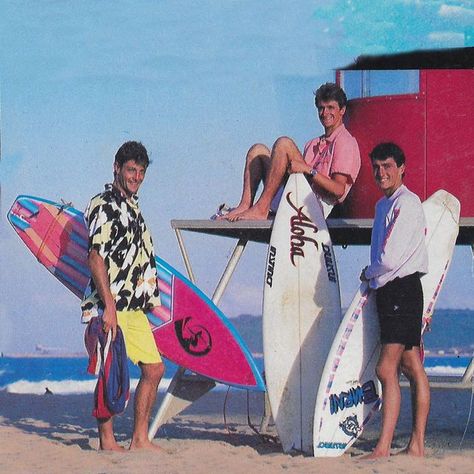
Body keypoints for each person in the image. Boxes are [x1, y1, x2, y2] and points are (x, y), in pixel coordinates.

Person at [81, 141, 164, 452]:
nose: (136, 177)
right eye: (131, 170)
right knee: (110, 370)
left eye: (141, 172)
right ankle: (107, 441)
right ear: (116, 168)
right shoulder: (103, 205)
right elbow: (95, 258)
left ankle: (140, 439)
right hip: (108, 305)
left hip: (132, 306)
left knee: (154, 368)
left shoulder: (133, 206)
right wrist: (109, 307)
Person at [360, 142, 430, 458]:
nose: (381, 172)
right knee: (411, 364)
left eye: (387, 166)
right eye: (376, 167)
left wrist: (367, 273)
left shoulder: (408, 204)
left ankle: (384, 446)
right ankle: (415, 446)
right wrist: (375, 278)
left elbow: (388, 260)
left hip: (402, 289)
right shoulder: (381, 206)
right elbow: (383, 255)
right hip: (390, 291)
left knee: (386, 369)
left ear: (401, 167)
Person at [219, 82, 360, 221]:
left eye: (331, 108)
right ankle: (245, 205)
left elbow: (338, 190)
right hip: (297, 196)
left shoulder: (345, 142)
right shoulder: (313, 144)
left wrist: (309, 170)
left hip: (313, 208)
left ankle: (261, 208)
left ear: (342, 110)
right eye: (321, 108)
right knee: (257, 151)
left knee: (284, 144)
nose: (325, 113)